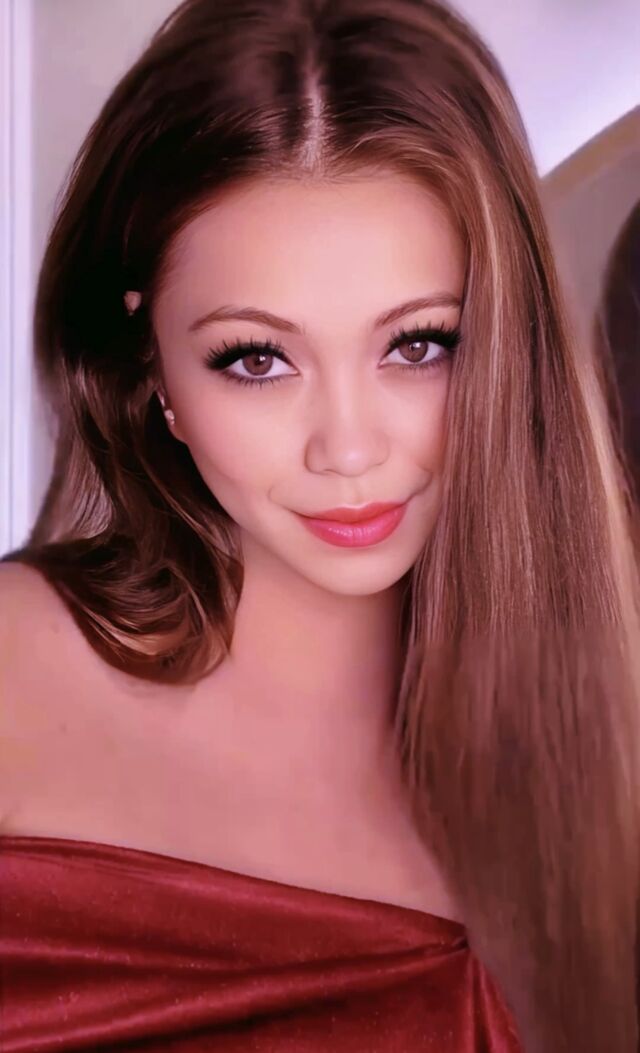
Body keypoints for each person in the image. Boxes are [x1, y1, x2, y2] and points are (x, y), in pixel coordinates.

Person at [0, 0, 638, 1050]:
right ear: (149, 363)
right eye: (257, 358)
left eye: (418, 345)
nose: (346, 449)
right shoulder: (16, 675)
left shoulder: (599, 749)